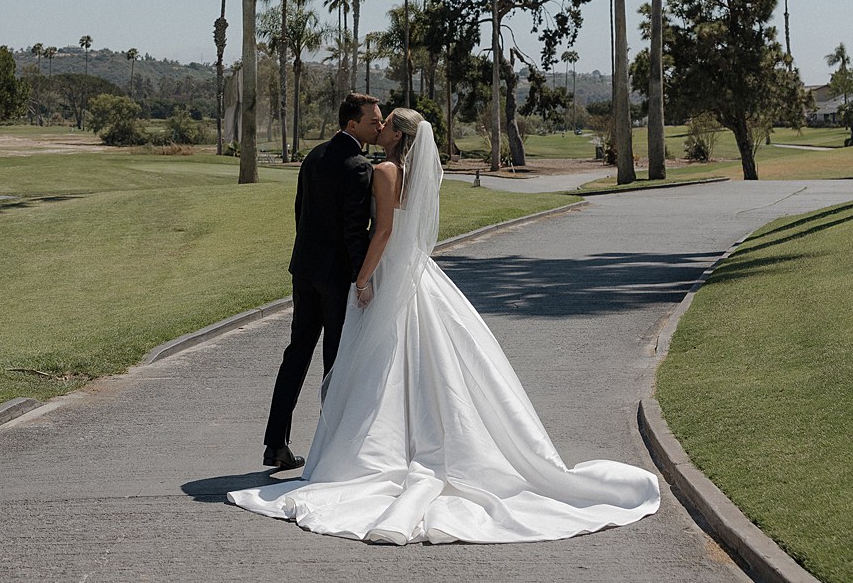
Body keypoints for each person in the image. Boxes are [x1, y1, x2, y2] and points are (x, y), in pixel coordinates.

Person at [230, 108, 660, 545]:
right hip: (413, 272)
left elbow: (381, 232)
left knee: (364, 362)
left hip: (377, 271)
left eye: (385, 122)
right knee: (414, 360)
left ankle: (348, 448)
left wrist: (361, 279)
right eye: (375, 120)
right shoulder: (419, 174)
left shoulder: (379, 170)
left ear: (397, 134)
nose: (379, 127)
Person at [260, 91, 382, 471]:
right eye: (373, 121)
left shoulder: (312, 157)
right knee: (335, 361)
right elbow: (354, 231)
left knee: (296, 354)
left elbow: (301, 213)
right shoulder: (359, 166)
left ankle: (275, 444)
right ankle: (329, 452)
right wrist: (362, 280)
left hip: (305, 271)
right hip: (336, 278)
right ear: (352, 125)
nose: (378, 125)